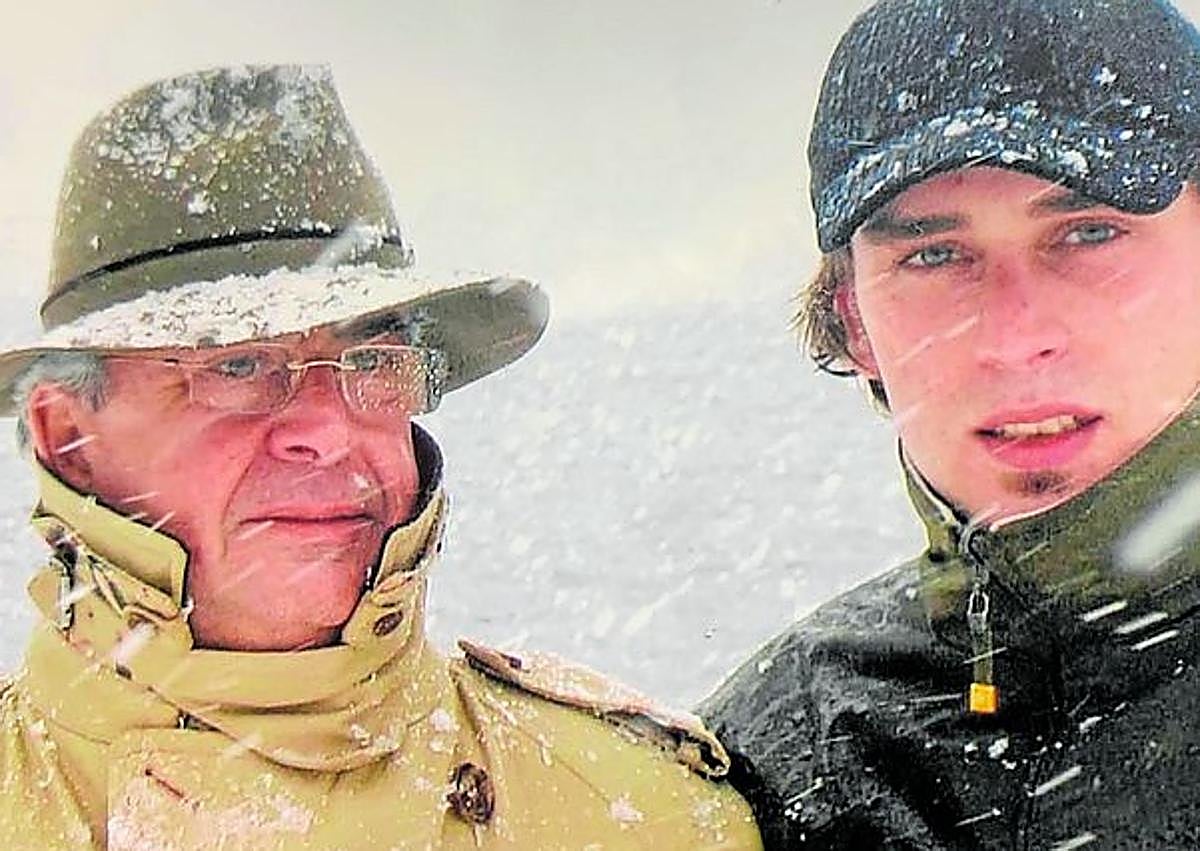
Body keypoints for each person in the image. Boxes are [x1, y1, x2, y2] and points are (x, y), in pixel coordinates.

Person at [0, 65, 761, 850]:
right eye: (236, 365)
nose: (329, 432)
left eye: (369, 362)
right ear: (68, 437)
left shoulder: (641, 816)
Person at [700, 0, 1200, 847]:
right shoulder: (756, 775)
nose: (1015, 337)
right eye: (934, 256)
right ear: (853, 319)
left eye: (1087, 232)